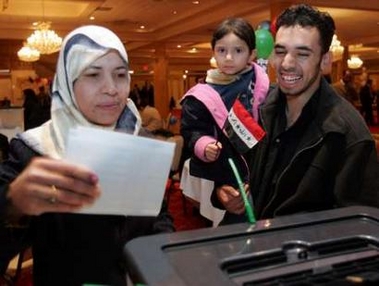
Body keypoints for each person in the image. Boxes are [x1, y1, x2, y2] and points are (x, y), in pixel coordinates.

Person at [0, 25, 174, 285]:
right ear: (68, 82)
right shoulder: (35, 150)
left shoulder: (141, 141)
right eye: (93, 74)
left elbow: (158, 218)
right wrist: (14, 203)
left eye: (120, 74)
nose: (111, 88)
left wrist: (163, 255)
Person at [212, 4, 378, 224]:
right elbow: (228, 163)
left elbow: (360, 227)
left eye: (302, 54)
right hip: (245, 245)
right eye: (280, 51)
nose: (287, 64)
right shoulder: (255, 106)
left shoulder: (349, 134)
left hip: (302, 255)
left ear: (325, 61)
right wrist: (222, 191)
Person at [180, 17, 270, 225]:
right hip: (229, 174)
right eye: (222, 50)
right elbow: (192, 130)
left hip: (263, 173)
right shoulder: (202, 95)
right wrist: (204, 145)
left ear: (252, 54)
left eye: (238, 50)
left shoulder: (263, 88)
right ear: (213, 52)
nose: (229, 57)